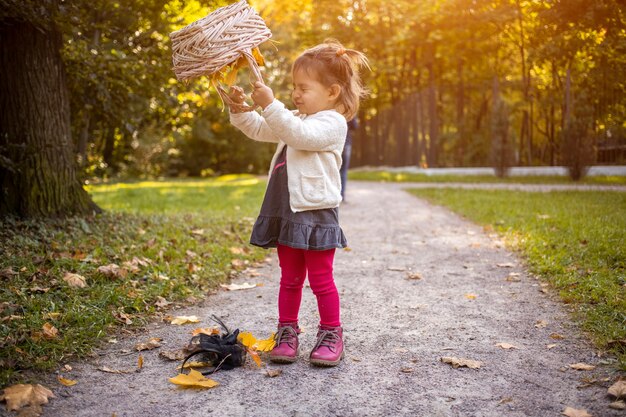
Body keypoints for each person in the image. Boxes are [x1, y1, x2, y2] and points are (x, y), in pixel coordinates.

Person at [227, 39, 368, 367]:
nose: (296, 94)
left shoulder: (332, 123)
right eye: (294, 87)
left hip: (316, 212)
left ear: (332, 92)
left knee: (320, 279)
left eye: (304, 88)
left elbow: (298, 136)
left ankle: (332, 332)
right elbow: (264, 129)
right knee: (289, 278)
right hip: (286, 211)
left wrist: (272, 104)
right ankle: (287, 331)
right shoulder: (295, 117)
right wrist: (241, 109)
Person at [340, 117, 358, 201]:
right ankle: (342, 196)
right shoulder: (350, 111)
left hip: (335, 144)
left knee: (333, 169)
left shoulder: (332, 107)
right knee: (343, 171)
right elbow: (355, 126)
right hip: (346, 144)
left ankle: (334, 195)